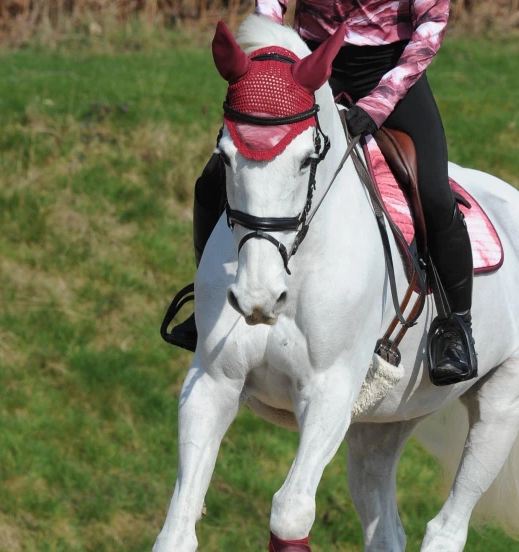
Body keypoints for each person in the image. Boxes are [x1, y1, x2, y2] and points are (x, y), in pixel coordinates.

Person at [180, 0, 476, 384]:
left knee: (434, 193)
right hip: (308, 64)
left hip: (391, 69)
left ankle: (456, 326)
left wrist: (380, 102)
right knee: (215, 177)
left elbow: (431, 25)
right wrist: (272, 61)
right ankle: (206, 300)